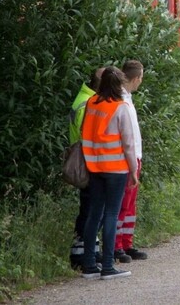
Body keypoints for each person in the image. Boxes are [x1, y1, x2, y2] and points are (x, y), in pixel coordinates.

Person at [80, 66, 139, 280]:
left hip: (94, 166)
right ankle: (107, 265)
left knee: (94, 214)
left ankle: (89, 265)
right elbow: (128, 144)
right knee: (112, 214)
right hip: (115, 168)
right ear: (119, 84)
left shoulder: (91, 103)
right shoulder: (120, 107)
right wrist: (133, 170)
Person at [69, 67, 104, 270]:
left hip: (86, 160)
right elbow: (89, 136)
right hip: (87, 162)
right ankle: (81, 255)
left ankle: (90, 250)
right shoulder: (87, 103)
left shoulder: (87, 99)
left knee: (92, 208)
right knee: (90, 209)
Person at [114, 60, 147, 263]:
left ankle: (126, 243)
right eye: (141, 78)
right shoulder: (120, 100)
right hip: (127, 159)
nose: (141, 82)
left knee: (130, 206)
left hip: (135, 157)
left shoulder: (127, 98)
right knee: (122, 205)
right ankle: (117, 245)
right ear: (135, 78)